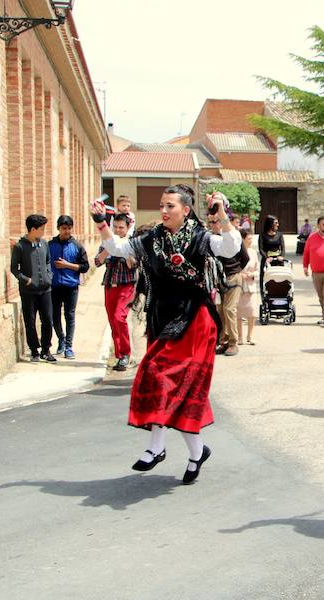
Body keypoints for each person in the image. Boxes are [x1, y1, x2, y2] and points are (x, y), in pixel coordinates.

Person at [89, 185, 240, 485]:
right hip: (163, 318)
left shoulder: (200, 237)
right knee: (174, 391)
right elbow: (117, 249)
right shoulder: (151, 239)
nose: (164, 210)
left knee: (157, 375)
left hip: (194, 320)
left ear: (186, 210)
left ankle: (156, 447)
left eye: (170, 206)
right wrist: (101, 222)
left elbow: (231, 247)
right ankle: (196, 452)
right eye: (161, 205)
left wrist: (222, 215)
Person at [95, 213, 138, 371]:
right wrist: (108, 249)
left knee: (119, 317)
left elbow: (134, 265)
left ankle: (126, 353)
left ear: (127, 228)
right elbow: (97, 262)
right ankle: (120, 355)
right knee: (113, 321)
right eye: (116, 227)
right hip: (109, 285)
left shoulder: (131, 244)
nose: (118, 230)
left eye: (121, 227)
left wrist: (123, 252)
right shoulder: (108, 241)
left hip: (126, 286)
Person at [10, 214, 56, 363]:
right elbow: (14, 269)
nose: (43, 231)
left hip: (45, 290)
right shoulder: (20, 246)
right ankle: (34, 351)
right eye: (41, 229)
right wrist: (26, 280)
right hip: (28, 291)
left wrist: (49, 275)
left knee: (48, 320)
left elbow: (48, 261)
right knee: (30, 321)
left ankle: (46, 350)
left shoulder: (44, 244)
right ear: (33, 229)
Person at [48, 216, 90, 359]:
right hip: (54, 287)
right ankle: (61, 338)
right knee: (55, 316)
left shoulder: (77, 246)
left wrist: (67, 265)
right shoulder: (50, 245)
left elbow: (85, 267)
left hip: (71, 287)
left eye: (69, 228)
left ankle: (68, 346)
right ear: (58, 228)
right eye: (64, 228)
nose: (67, 231)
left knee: (70, 316)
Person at [211, 208, 251, 356]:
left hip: (233, 276)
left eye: (215, 221)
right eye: (210, 222)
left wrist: (236, 270)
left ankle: (234, 343)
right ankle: (224, 341)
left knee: (229, 309)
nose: (212, 225)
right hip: (219, 278)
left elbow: (245, 257)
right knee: (221, 310)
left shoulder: (233, 236)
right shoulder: (211, 238)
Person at [237, 229, 259, 346]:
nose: (251, 241)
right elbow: (232, 269)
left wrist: (252, 274)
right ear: (242, 239)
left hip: (251, 285)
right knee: (238, 313)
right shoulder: (236, 252)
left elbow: (258, 269)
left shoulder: (253, 252)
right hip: (239, 286)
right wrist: (240, 275)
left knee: (252, 312)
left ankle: (250, 335)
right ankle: (239, 336)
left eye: (251, 238)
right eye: (249, 238)